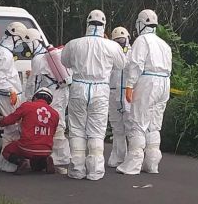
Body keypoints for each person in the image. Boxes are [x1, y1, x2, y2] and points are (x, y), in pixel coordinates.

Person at [61, 10, 127, 180]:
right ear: (104, 25)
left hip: (78, 86)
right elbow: (121, 64)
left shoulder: (73, 44)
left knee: (77, 128)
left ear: (87, 24)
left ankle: (77, 169)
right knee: (97, 130)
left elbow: (65, 62)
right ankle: (95, 171)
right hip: (101, 88)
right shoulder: (112, 46)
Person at [117, 9, 172, 175]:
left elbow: (136, 64)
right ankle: (152, 163)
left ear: (140, 24)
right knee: (154, 124)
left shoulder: (142, 40)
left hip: (148, 81)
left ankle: (133, 164)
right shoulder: (164, 44)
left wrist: (129, 85)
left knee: (138, 121)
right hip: (165, 83)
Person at [23, 28, 71, 174]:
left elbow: (33, 82)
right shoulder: (54, 54)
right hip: (62, 92)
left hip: (51, 95)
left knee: (52, 125)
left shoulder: (38, 59)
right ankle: (63, 158)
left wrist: (29, 98)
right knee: (60, 123)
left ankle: (55, 158)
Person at [0, 22, 28, 172]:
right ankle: (8, 163)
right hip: (7, 97)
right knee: (12, 130)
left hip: (7, 95)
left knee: (13, 129)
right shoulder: (3, 54)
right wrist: (10, 91)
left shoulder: (2, 50)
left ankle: (12, 162)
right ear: (14, 37)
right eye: (19, 40)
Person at [0, 88, 59, 174]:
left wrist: (1, 122)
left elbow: (12, 119)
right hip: (46, 149)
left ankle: (21, 162)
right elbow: (53, 132)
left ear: (35, 97)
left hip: (26, 147)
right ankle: (45, 160)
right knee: (35, 166)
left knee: (7, 150)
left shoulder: (27, 106)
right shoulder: (55, 114)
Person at [107, 26, 131, 168]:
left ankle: (131, 157)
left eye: (122, 40)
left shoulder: (134, 52)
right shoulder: (110, 53)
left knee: (130, 126)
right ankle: (118, 156)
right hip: (113, 92)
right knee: (117, 127)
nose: (120, 43)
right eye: (117, 41)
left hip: (128, 92)